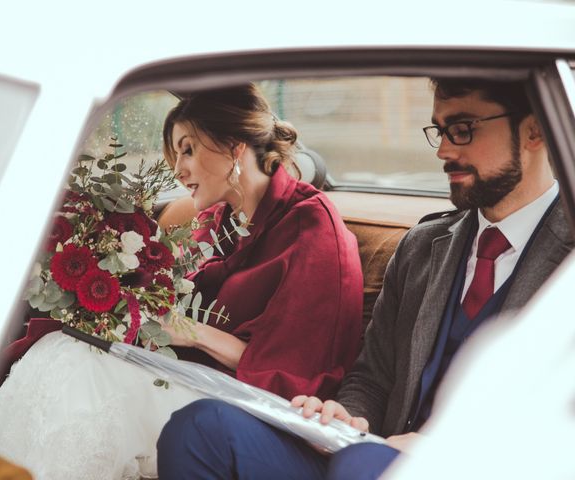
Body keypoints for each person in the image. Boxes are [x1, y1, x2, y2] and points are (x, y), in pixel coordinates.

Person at [156, 77, 574, 479]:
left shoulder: (567, 258)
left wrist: (440, 446)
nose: (443, 150)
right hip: (369, 453)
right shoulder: (422, 245)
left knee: (361, 467)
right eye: (440, 131)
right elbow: (371, 375)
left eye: (463, 130)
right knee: (199, 428)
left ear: (535, 130)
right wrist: (347, 414)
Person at [0, 84, 364, 479]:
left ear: (233, 146)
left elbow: (305, 374)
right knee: (65, 349)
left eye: (188, 150)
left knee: (85, 373)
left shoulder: (313, 229)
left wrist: (192, 333)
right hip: (185, 375)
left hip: (243, 404)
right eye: (175, 153)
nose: (177, 169)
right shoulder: (215, 224)